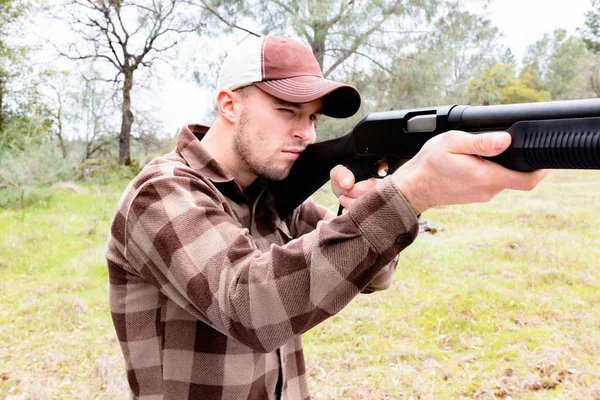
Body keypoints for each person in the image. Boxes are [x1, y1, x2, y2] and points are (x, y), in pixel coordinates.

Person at [105, 35, 547, 399]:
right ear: (228, 105)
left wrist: (369, 205)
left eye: (312, 117)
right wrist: (409, 192)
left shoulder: (268, 197)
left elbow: (374, 277)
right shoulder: (162, 192)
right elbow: (251, 307)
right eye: (287, 111)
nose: (306, 133)